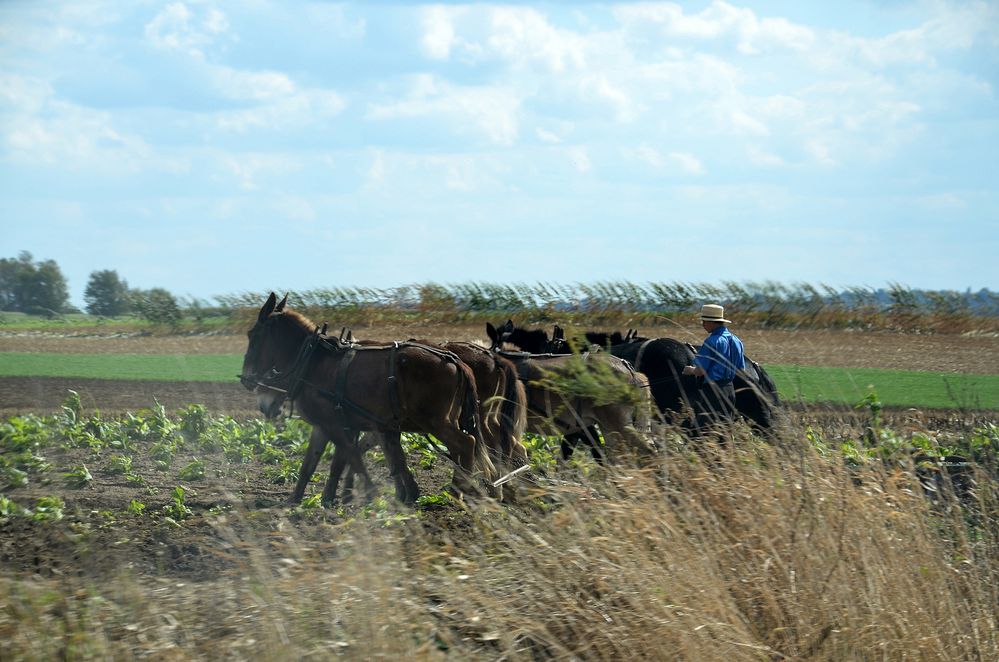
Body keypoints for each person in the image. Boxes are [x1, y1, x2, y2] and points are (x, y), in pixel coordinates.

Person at [682, 304, 745, 433]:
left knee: (702, 432)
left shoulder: (712, 341)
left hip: (713, 392)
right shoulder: (737, 341)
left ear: (713, 322)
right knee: (723, 433)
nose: (703, 324)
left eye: (704, 321)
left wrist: (689, 370)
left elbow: (700, 371)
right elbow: (740, 370)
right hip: (730, 391)